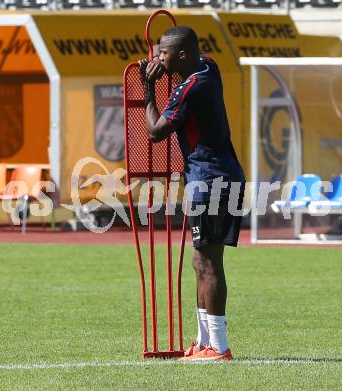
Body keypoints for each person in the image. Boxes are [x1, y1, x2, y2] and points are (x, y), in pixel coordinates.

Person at [139, 25, 245, 361]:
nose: (157, 58)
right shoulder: (207, 67)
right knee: (201, 261)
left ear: (182, 55)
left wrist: (148, 89)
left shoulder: (192, 86)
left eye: (163, 54)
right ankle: (204, 343)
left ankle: (219, 346)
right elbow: (196, 57)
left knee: (209, 263)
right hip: (211, 177)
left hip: (212, 180)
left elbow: (155, 131)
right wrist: (167, 66)